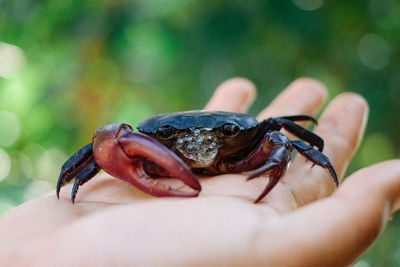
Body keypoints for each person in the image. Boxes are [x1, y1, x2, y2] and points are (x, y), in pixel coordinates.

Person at [0, 78, 398, 266]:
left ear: (240, 132)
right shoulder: (137, 144)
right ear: (152, 137)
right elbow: (103, 148)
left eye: (222, 133)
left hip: (238, 155)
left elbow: (283, 139)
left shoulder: (259, 139)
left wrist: (293, 154)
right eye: (171, 136)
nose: (199, 144)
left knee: (283, 138)